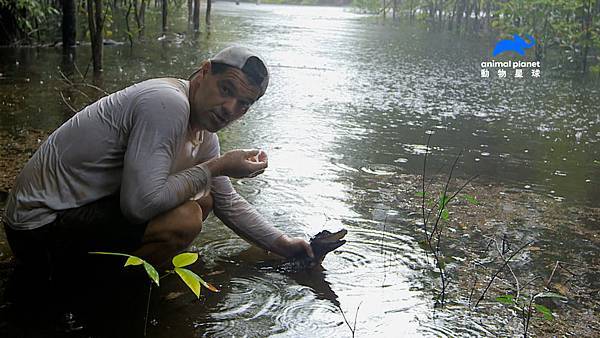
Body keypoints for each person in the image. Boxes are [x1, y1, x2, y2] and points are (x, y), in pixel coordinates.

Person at [2, 46, 314, 274]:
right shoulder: (167, 103)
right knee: (187, 217)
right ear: (205, 72)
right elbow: (138, 206)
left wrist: (282, 243)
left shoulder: (205, 134)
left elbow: (227, 203)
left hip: (67, 216)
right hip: (36, 229)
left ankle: (119, 278)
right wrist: (218, 166)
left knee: (206, 200)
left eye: (243, 104)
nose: (229, 108)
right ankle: (105, 294)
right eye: (225, 89)